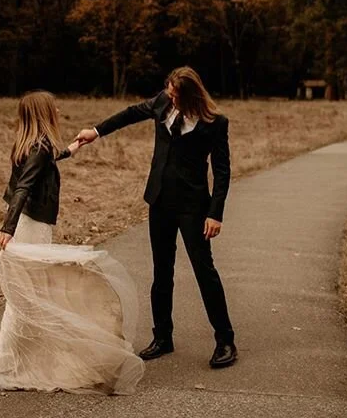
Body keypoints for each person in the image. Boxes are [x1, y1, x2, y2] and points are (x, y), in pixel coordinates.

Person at [0, 90, 144, 394]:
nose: (57, 107)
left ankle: (13, 357)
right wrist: (8, 227)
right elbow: (25, 186)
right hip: (30, 226)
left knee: (26, 293)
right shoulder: (39, 146)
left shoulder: (31, 143)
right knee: (30, 294)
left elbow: (42, 164)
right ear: (43, 112)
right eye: (52, 105)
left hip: (29, 223)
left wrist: (69, 150)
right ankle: (12, 362)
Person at [76, 66, 237, 368]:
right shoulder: (162, 103)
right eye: (169, 90)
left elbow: (223, 172)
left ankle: (225, 340)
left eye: (175, 94)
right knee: (162, 272)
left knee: (205, 272)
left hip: (193, 207)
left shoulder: (215, 123)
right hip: (160, 201)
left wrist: (215, 214)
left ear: (190, 96)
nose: (169, 96)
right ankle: (163, 337)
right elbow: (129, 114)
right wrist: (95, 131)